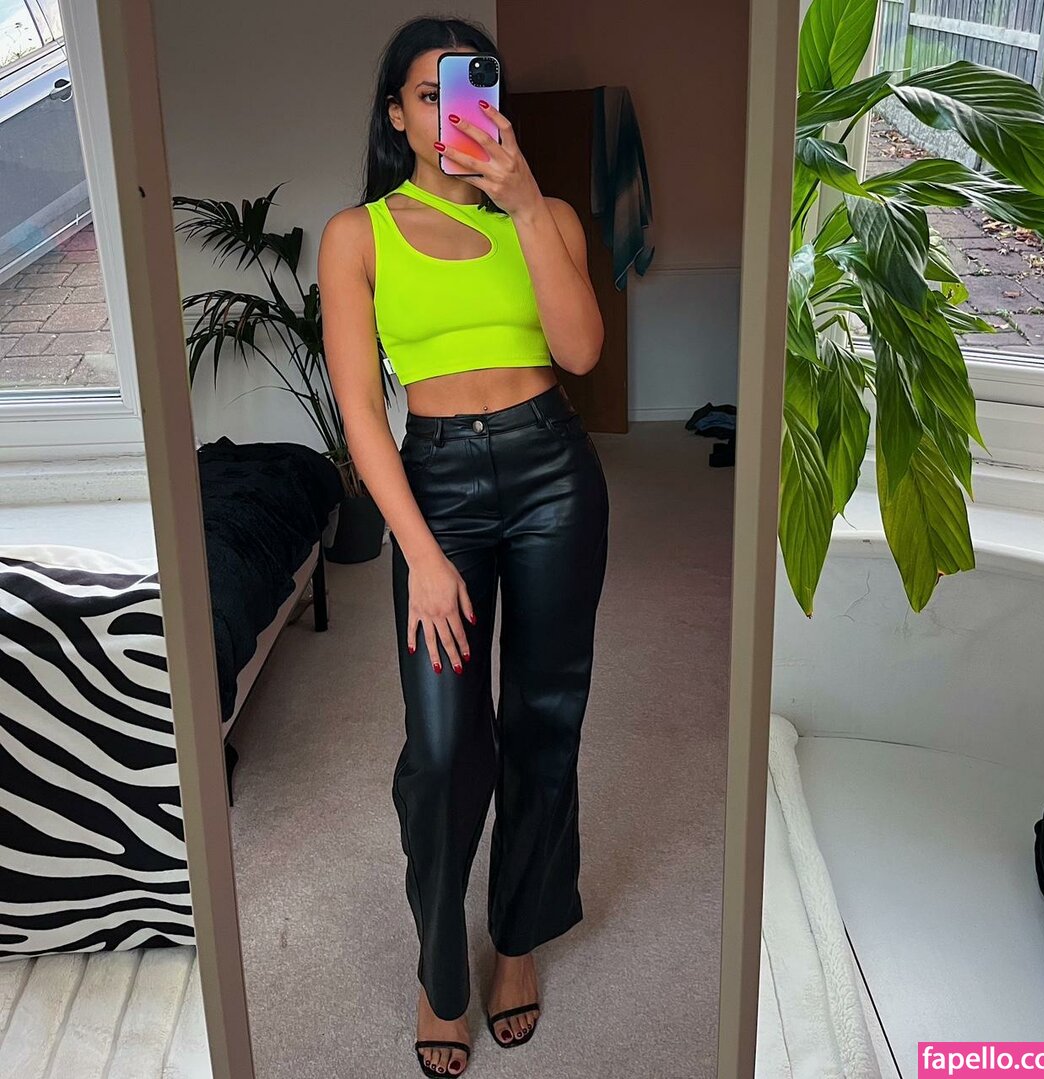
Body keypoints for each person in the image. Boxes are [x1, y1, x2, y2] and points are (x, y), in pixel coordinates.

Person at [318, 15, 609, 1077]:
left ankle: (517, 936)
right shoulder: (357, 235)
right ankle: (442, 964)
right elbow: (361, 409)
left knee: (544, 716)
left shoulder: (549, 215)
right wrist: (423, 555)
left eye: (468, 89)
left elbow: (581, 350)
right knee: (442, 747)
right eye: (427, 94)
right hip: (435, 485)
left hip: (552, 475)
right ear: (396, 116)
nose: (449, 113)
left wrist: (524, 202)